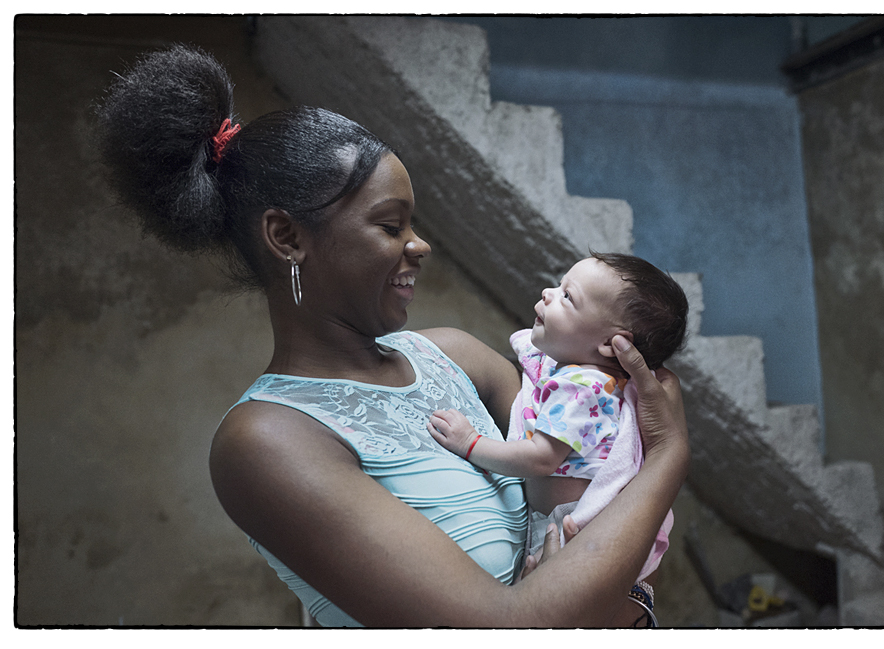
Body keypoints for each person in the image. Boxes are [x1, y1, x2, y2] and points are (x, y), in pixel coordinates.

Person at [94, 43, 689, 627]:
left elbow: (608, 481)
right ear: (287, 237)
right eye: (389, 224)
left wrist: (625, 604)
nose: (419, 244)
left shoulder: (459, 358)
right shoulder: (267, 442)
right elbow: (511, 628)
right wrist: (670, 456)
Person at [428, 253, 687, 582]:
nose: (548, 293)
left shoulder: (581, 388)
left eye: (568, 296)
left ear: (611, 344)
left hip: (568, 530)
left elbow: (541, 458)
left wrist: (470, 443)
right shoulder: (583, 375)